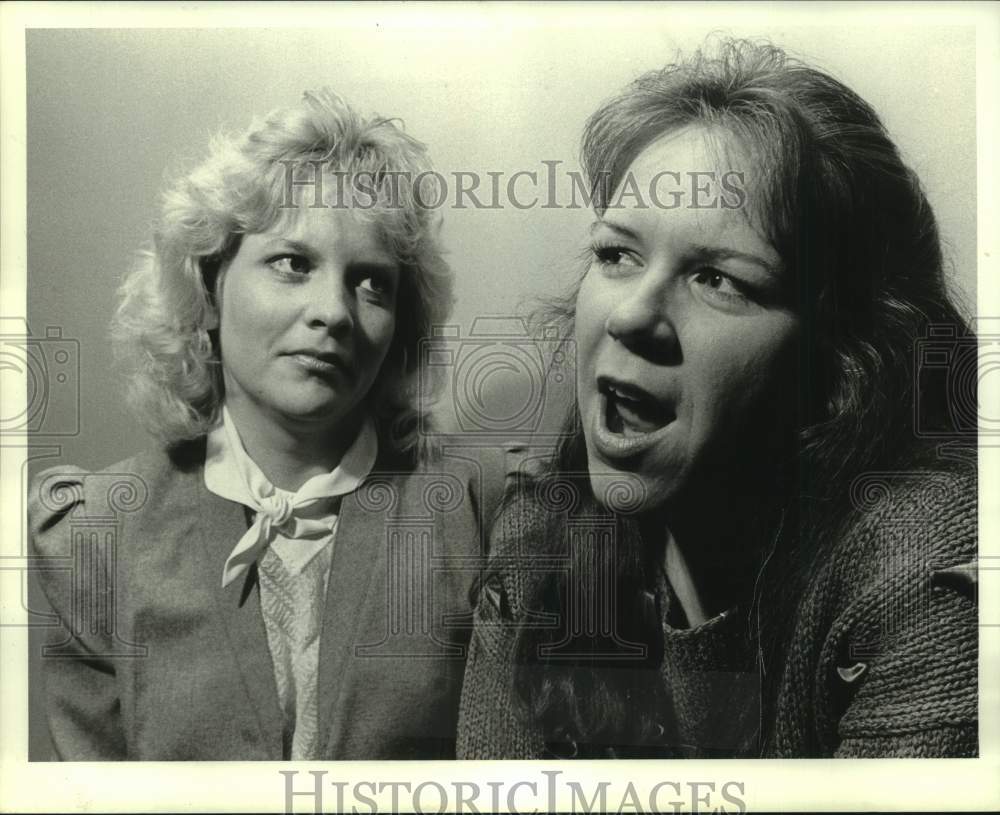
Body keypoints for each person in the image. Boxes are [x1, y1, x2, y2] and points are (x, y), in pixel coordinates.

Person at [457, 38, 978, 759]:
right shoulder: (534, 550)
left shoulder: (924, 569)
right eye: (616, 254)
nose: (631, 313)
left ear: (844, 360)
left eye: (718, 279)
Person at [29, 89, 486, 760]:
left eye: (371, 283)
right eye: (293, 263)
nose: (332, 310)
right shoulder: (97, 535)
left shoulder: (480, 512)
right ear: (211, 284)